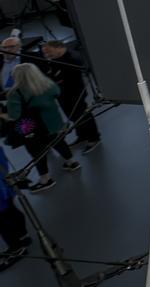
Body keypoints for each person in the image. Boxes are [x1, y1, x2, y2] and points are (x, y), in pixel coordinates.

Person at [4, 63, 80, 193]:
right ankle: (72, 162)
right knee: (59, 142)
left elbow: (14, 115)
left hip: (32, 127)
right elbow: (57, 92)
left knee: (37, 152)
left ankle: (45, 180)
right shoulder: (47, 84)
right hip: (53, 122)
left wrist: (3, 114)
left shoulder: (15, 93)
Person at [39, 41, 101, 153]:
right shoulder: (54, 59)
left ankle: (94, 138)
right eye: (45, 53)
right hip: (63, 95)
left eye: (49, 52)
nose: (47, 55)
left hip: (75, 94)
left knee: (83, 116)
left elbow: (65, 78)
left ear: (58, 47)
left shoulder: (72, 59)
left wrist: (55, 80)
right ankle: (82, 136)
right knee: (73, 117)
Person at [0, 148, 30, 272]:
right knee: (10, 211)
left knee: (2, 221)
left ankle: (16, 248)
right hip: (4, 184)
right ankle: (22, 237)